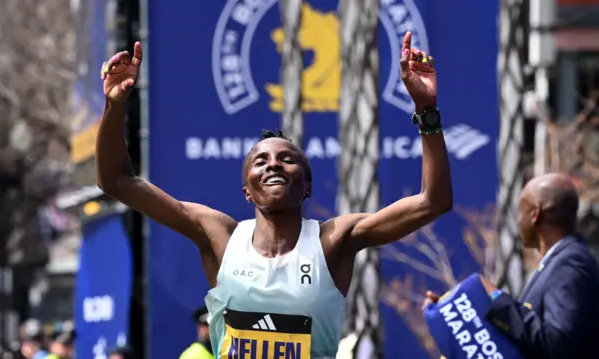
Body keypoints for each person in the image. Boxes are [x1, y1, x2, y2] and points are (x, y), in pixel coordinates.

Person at [97, 31, 452, 358]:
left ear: (307, 186)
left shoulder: (334, 240)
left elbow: (432, 202)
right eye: (260, 161)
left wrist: (426, 111)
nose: (273, 165)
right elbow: (117, 181)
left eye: (287, 159)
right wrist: (114, 107)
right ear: (247, 191)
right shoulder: (220, 236)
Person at [424, 172, 599, 359]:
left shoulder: (571, 261)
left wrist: (494, 296)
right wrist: (454, 314)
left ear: (534, 214)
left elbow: (555, 342)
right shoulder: (558, 261)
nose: (517, 221)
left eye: (519, 211)